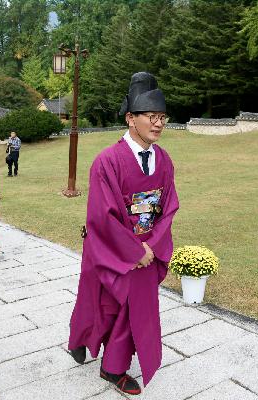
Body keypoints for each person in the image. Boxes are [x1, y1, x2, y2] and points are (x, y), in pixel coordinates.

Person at [67, 72, 179, 395]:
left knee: (133, 309)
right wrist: (135, 250)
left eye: (162, 117)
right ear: (131, 118)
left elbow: (168, 207)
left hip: (147, 250)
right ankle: (80, 339)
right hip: (110, 247)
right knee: (97, 303)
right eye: (150, 117)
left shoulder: (165, 161)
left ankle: (112, 368)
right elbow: (103, 216)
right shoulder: (107, 161)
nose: (157, 124)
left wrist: (152, 247)